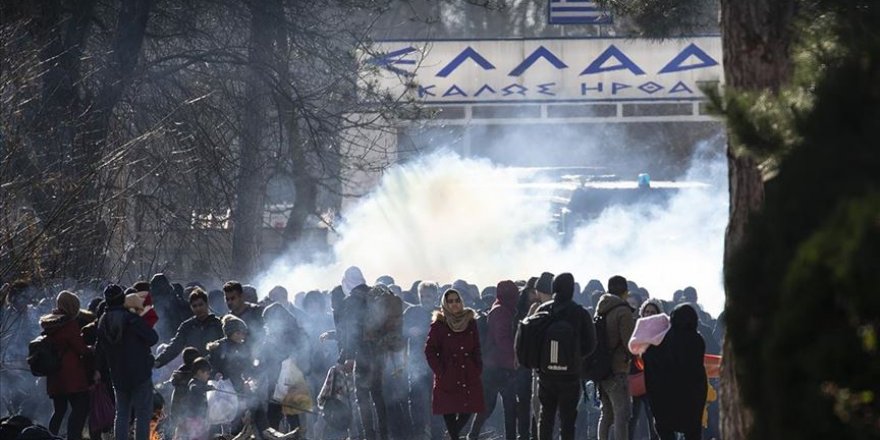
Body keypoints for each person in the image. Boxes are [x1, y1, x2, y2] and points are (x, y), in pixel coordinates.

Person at [534, 273, 596, 440]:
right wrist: (575, 357)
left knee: (546, 416)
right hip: (570, 374)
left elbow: (533, 340)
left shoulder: (543, 310)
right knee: (568, 419)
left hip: (546, 373)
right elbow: (591, 343)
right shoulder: (579, 313)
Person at [96, 284, 159, 440]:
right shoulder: (131, 319)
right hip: (140, 373)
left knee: (122, 413)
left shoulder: (102, 322)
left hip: (117, 374)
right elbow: (153, 338)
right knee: (143, 414)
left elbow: (100, 350)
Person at [337, 266, 389, 440]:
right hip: (381, 353)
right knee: (379, 396)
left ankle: (370, 435)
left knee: (363, 397)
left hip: (363, 356)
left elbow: (350, 333)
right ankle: (384, 435)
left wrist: (346, 357)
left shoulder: (351, 301)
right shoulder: (376, 294)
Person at [425, 288, 485, 440]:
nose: (454, 304)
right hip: (448, 373)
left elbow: (477, 347)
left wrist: (477, 366)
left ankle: (453, 435)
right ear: (445, 304)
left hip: (468, 372)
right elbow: (430, 350)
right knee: (449, 410)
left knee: (469, 408)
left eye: (457, 300)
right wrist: (440, 371)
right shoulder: (439, 325)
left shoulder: (470, 321)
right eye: (450, 301)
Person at [642, 304, 707, 440]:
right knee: (693, 431)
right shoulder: (698, 340)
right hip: (692, 396)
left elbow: (650, 358)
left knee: (665, 429)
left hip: (666, 396)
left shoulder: (664, 339)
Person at [468, 280, 520, 440]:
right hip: (498, 367)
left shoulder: (502, 309)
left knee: (493, 406)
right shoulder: (501, 312)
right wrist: (515, 356)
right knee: (501, 406)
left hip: (494, 366)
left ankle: (474, 435)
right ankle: (474, 435)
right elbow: (502, 339)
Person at [39, 291, 90, 439]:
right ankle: (74, 437)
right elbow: (80, 348)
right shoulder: (69, 324)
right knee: (80, 409)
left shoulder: (50, 323)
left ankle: (49, 436)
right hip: (71, 376)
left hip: (54, 375)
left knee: (59, 411)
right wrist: (91, 351)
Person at [595, 275, 636, 440]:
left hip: (601, 368)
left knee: (606, 414)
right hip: (618, 368)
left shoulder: (601, 309)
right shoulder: (623, 312)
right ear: (625, 292)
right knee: (622, 414)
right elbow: (629, 343)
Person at [154, 288, 223, 368]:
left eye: (201, 305)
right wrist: (158, 361)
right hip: (194, 370)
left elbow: (226, 347)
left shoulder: (218, 324)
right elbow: (175, 347)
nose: (198, 308)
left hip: (215, 369)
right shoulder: (187, 326)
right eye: (194, 306)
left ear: (207, 304)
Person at [628, 300, 663, 440]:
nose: (648, 314)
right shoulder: (635, 329)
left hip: (652, 382)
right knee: (631, 418)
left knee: (653, 419)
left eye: (652, 312)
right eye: (646, 312)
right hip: (634, 379)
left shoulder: (661, 332)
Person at [178, 357, 213, 440]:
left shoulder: (200, 383)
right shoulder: (193, 383)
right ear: (200, 372)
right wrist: (206, 387)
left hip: (200, 418)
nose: (208, 376)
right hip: (194, 419)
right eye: (207, 373)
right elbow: (194, 388)